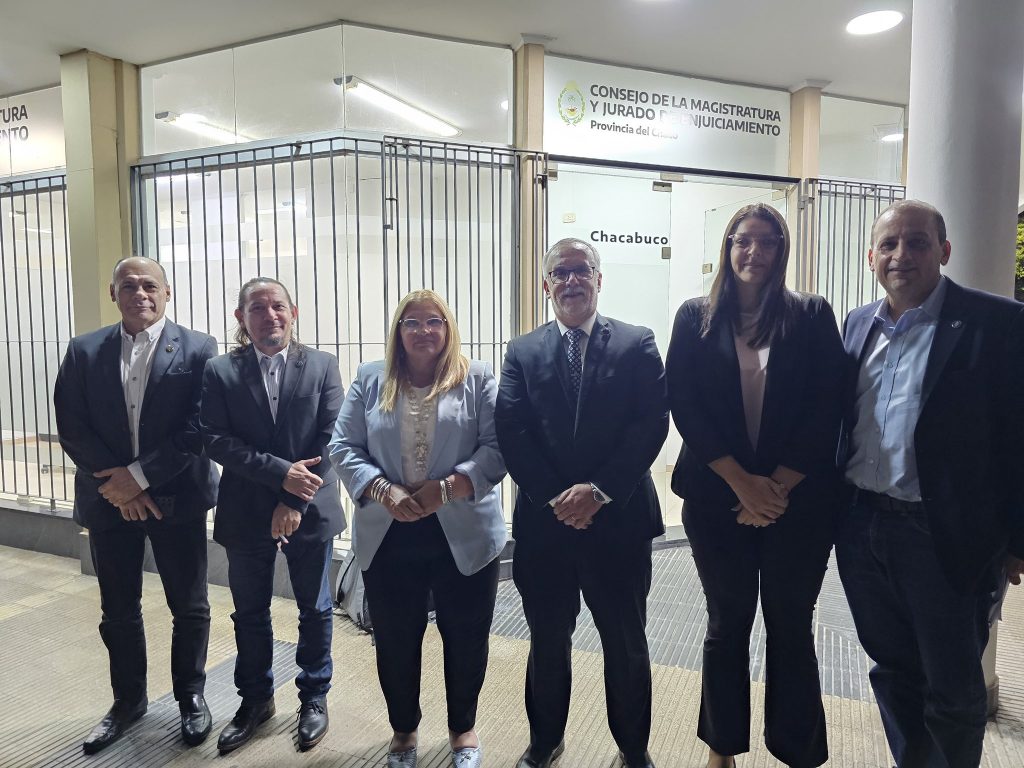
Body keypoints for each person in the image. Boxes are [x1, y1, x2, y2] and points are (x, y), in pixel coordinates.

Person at [837, 199, 1024, 768]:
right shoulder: (857, 323)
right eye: (889, 245)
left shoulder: (999, 322)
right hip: (863, 528)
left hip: (942, 535)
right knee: (892, 670)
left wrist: (1018, 539)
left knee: (953, 685)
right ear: (871, 257)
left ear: (943, 251)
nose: (902, 255)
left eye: (917, 242)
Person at [665, 204, 845, 768]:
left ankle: (797, 750)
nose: (754, 252)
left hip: (800, 500)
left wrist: (776, 488)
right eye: (743, 240)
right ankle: (721, 748)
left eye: (768, 242)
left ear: (782, 251)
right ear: (727, 246)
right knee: (727, 622)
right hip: (717, 497)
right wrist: (742, 485)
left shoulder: (811, 314)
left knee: (790, 625)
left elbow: (828, 406)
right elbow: (684, 403)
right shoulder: (695, 316)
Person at [495, 238, 668, 768]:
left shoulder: (637, 342)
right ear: (546, 284)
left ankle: (633, 748)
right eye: (560, 272)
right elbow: (512, 430)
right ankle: (545, 740)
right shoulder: (521, 351)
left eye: (581, 270)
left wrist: (598, 491)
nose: (571, 281)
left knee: (625, 642)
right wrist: (558, 497)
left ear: (598, 278)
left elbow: (650, 423)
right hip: (545, 526)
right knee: (548, 640)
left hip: (619, 520)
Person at [329, 289, 507, 768]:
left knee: (466, 636)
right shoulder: (371, 378)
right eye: (411, 322)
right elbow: (342, 446)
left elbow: (498, 447)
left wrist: (448, 488)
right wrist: (383, 490)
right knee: (395, 638)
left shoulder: (477, 377)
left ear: (448, 328)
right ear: (398, 331)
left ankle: (463, 729)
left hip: (464, 530)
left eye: (433, 321)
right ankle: (403, 730)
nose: (423, 331)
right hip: (390, 529)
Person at [53, 256, 219, 754]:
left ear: (167, 292)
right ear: (113, 294)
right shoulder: (84, 350)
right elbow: (71, 424)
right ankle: (128, 702)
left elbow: (199, 426)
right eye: (128, 286)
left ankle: (191, 696)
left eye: (150, 285)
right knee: (118, 610)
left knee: (189, 605)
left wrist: (139, 479)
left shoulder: (199, 348)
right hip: (108, 499)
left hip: (178, 497)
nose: (139, 294)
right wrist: (120, 484)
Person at [200, 276, 344, 753]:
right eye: (257, 308)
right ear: (241, 318)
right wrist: (282, 475)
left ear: (293, 312)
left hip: (311, 509)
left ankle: (314, 697)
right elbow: (216, 439)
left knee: (315, 609)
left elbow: (332, 438)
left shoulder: (322, 365)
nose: (270, 316)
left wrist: (294, 501)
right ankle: (256, 700)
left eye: (278, 306)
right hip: (245, 512)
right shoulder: (220, 371)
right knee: (249, 612)